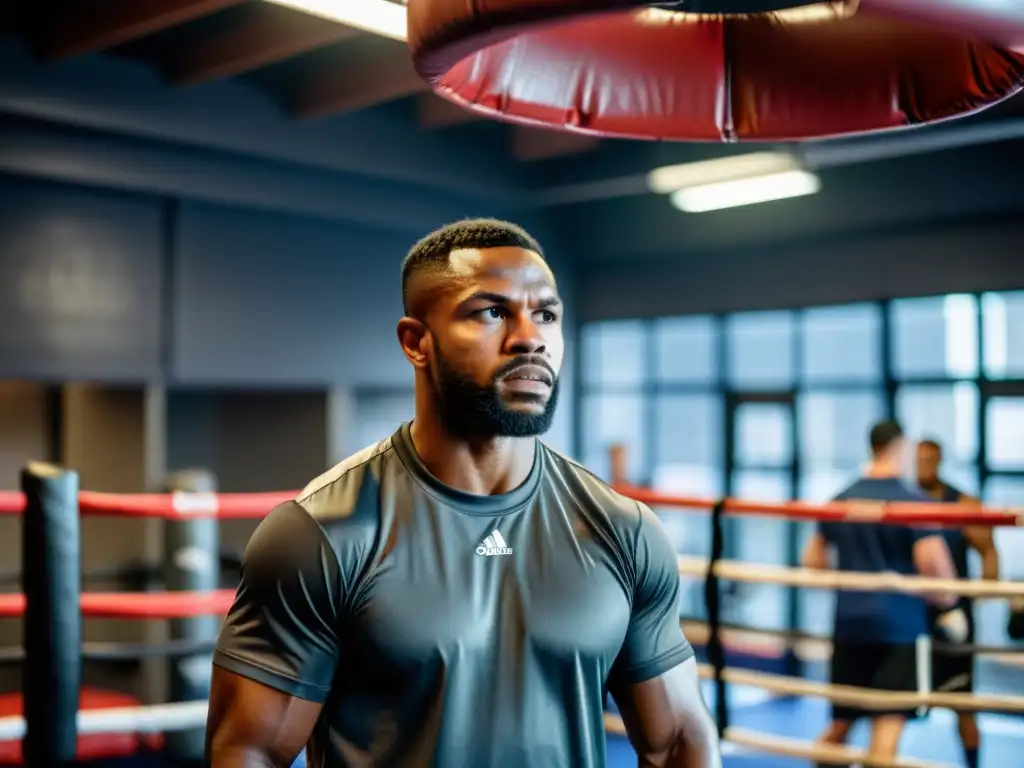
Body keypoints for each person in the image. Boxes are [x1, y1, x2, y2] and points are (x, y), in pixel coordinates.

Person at [204, 219, 721, 768]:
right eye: (492, 312)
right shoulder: (324, 534)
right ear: (416, 343)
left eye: (546, 313)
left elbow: (680, 742)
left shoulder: (623, 530)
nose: (530, 336)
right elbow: (248, 751)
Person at [801, 420, 965, 765]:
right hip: (899, 629)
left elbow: (813, 561)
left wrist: (853, 580)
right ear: (900, 447)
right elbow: (937, 572)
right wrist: (948, 603)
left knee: (840, 726)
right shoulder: (912, 501)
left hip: (850, 625)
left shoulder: (840, 498)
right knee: (886, 736)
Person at [917, 438, 999, 768]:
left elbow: (989, 551)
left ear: (939, 461)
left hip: (952, 617)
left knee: (962, 700)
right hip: (909, 614)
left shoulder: (961, 504)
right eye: (919, 460)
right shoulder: (900, 502)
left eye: (930, 460)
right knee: (889, 701)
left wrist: (982, 594)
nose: (925, 466)